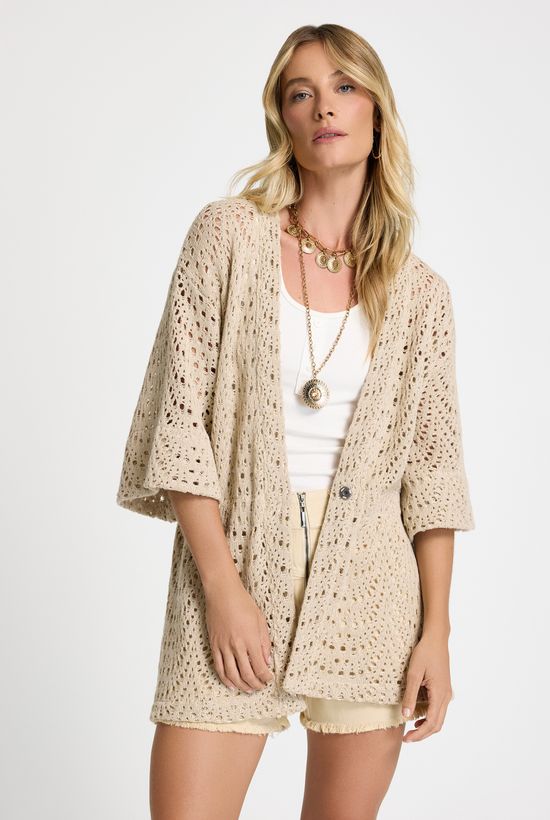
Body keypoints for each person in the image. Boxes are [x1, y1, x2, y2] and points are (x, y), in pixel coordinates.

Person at [116, 23, 475, 820]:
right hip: (236, 560)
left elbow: (433, 478)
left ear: (377, 111)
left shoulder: (422, 295)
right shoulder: (228, 236)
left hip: (373, 596)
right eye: (300, 92)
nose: (324, 107)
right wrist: (221, 588)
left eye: (344, 87)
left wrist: (436, 635)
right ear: (282, 117)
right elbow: (181, 424)